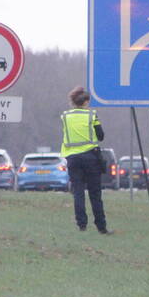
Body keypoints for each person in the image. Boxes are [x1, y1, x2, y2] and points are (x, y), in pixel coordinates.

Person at [60, 86, 111, 234]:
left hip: (73, 159)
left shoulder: (65, 117)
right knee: (95, 193)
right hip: (90, 157)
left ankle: (81, 224)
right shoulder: (91, 116)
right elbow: (101, 136)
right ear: (86, 102)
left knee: (78, 192)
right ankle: (101, 226)